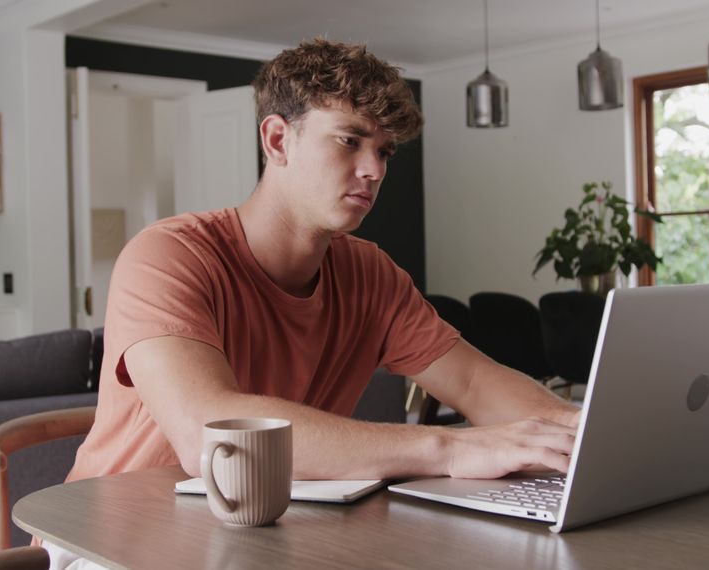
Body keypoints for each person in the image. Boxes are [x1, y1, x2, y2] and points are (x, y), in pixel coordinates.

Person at [66, 38, 580, 488]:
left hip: (257, 530)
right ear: (277, 140)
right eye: (349, 140)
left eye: (385, 151)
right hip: (106, 541)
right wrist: (452, 448)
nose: (373, 169)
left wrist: (585, 435)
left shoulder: (371, 276)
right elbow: (209, 433)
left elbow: (472, 383)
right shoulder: (169, 256)